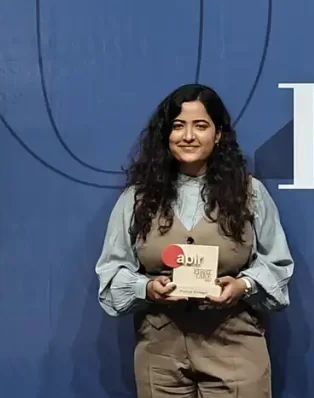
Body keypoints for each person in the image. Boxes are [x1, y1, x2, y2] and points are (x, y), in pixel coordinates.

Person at [95, 83, 294, 397]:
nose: (188, 136)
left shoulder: (250, 193)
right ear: (166, 135)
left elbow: (277, 267)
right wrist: (146, 288)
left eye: (200, 125)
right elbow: (111, 274)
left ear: (217, 135)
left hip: (235, 350)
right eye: (178, 126)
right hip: (160, 355)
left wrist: (243, 286)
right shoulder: (137, 199)